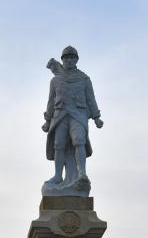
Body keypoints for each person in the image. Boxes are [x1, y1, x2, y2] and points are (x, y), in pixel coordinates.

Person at [42, 46, 103, 192]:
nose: (69, 60)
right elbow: (51, 102)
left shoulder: (84, 79)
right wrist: (48, 120)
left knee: (79, 140)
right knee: (59, 144)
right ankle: (58, 176)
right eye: (66, 58)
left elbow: (90, 98)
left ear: (76, 60)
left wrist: (96, 117)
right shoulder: (55, 80)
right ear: (62, 60)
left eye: (72, 57)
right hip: (60, 115)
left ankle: (82, 173)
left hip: (78, 114)